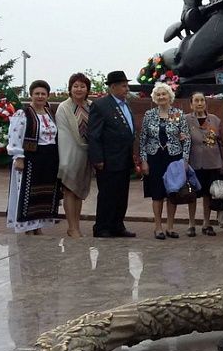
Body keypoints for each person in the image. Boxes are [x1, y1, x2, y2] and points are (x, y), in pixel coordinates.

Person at [6, 80, 62, 234]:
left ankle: (38, 226)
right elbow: (15, 136)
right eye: (37, 93)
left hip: (49, 158)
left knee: (44, 193)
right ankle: (27, 226)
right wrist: (18, 156)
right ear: (31, 95)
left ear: (47, 96)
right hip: (31, 158)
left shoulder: (50, 112)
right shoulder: (23, 113)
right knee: (27, 192)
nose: (40, 96)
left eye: (43, 94)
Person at [88, 71, 136, 238]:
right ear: (113, 87)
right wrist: (98, 158)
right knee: (108, 195)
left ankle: (117, 225)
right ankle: (102, 227)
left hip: (124, 158)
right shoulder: (101, 105)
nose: (126, 89)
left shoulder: (125, 104)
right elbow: (94, 134)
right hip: (108, 160)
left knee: (121, 195)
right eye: (123, 86)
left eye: (127, 85)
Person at [140, 83, 191, 240]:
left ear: (170, 96)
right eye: (159, 94)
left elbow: (186, 138)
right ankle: (158, 227)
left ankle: (170, 226)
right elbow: (143, 139)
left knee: (172, 192)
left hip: (173, 158)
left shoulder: (177, 114)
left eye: (164, 94)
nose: (162, 97)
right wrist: (144, 160)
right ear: (155, 97)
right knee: (157, 193)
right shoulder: (149, 115)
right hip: (154, 157)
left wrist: (185, 159)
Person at [56, 73, 93, 238]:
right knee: (70, 189)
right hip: (70, 153)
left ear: (87, 89)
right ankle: (72, 227)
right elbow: (63, 134)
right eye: (75, 86)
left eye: (82, 86)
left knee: (79, 191)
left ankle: (76, 225)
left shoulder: (91, 106)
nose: (79, 89)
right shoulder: (64, 107)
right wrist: (65, 161)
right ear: (70, 88)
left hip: (87, 154)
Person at [185, 92, 223, 237]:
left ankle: (206, 224)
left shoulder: (214, 119)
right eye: (196, 100)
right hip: (194, 163)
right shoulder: (186, 120)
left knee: (209, 195)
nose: (200, 103)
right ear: (191, 104)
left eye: (202, 100)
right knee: (192, 195)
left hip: (212, 162)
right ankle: (191, 224)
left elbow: (221, 141)